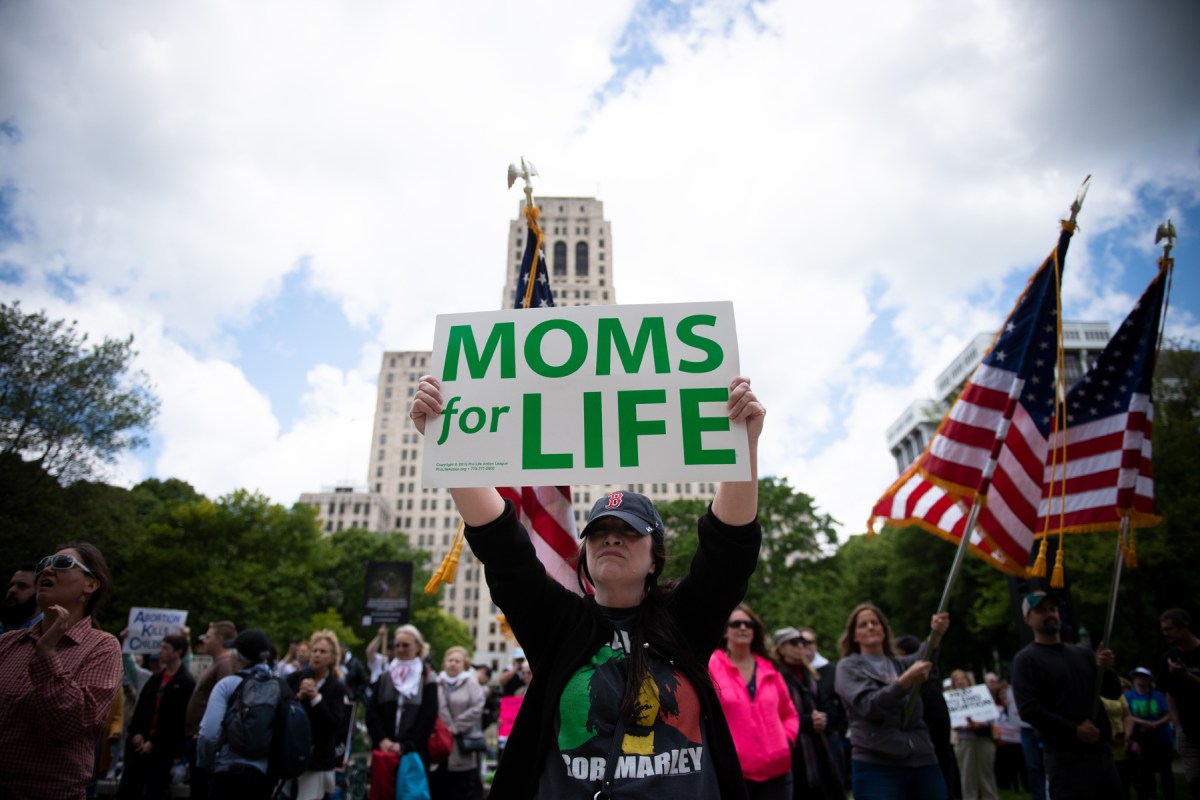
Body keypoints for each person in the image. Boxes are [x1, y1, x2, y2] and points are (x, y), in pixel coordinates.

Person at [408, 373, 766, 799]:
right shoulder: (557, 624)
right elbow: (504, 548)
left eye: (629, 532)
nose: (611, 538)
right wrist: (447, 441)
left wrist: (743, 445)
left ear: (655, 558)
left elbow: (728, 551)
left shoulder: (685, 621)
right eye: (598, 532)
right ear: (584, 554)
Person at [0, 543, 122, 800]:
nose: (48, 570)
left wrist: (46, 655)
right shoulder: (7, 643)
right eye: (44, 564)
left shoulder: (102, 647)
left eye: (63, 564)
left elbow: (75, 723)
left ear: (90, 585)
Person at [1010, 591, 1122, 800]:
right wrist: (1074, 730)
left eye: (1052, 609)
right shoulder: (1026, 660)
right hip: (1065, 758)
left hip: (1101, 753)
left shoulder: (1083, 653)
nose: (1049, 614)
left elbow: (1112, 693)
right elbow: (1029, 709)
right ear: (1027, 619)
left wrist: (1107, 670)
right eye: (1041, 611)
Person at [835, 603, 952, 800]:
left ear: (884, 629)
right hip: (877, 765)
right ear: (854, 636)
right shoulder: (847, 667)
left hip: (923, 759)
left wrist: (936, 634)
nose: (871, 627)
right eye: (863, 625)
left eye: (875, 622)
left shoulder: (899, 662)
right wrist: (905, 681)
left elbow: (925, 658)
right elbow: (869, 705)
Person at [710, 605, 798, 798]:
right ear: (725, 631)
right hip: (732, 775)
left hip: (778, 774)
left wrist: (785, 741)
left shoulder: (770, 669)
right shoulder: (711, 667)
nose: (743, 628)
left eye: (748, 624)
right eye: (736, 624)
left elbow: (790, 713)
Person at [197, 628, 287, 799]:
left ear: (237, 656)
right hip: (263, 777)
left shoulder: (228, 685)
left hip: (228, 772)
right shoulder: (279, 686)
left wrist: (205, 762)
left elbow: (208, 733)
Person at [119, 633, 197, 799]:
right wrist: (137, 732)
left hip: (163, 751)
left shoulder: (185, 683)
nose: (160, 651)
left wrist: (155, 743)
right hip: (140, 746)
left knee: (155, 789)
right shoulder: (155, 680)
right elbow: (141, 709)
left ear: (178, 652)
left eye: (165, 647)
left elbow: (176, 720)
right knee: (129, 788)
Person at [365, 623, 438, 797]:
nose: (400, 649)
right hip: (385, 753)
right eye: (397, 645)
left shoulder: (427, 677)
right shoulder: (385, 676)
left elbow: (428, 717)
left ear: (418, 647)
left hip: (413, 754)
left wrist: (406, 745)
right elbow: (372, 711)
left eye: (405, 645)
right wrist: (382, 739)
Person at [774, 625, 845, 799]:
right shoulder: (775, 675)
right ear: (781, 647)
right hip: (794, 750)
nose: (801, 647)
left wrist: (823, 717)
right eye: (794, 642)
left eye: (803, 643)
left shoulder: (811, 675)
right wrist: (807, 721)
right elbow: (775, 714)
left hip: (820, 745)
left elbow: (827, 703)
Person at [287, 629, 348, 800]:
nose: (317, 655)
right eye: (314, 651)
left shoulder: (336, 688)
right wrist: (298, 697)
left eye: (323, 652)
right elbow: (283, 711)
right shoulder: (294, 679)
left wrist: (316, 698)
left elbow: (333, 725)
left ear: (331, 657)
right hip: (291, 754)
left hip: (317, 760)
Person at [185, 620, 238, 799]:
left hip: (206, 741)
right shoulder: (218, 663)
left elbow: (227, 703)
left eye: (208, 637)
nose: (204, 640)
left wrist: (206, 733)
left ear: (220, 639)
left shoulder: (225, 665)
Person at [435, 645, 486, 800]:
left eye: (457, 661)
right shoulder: (437, 682)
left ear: (464, 664)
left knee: (459, 790)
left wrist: (454, 727)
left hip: (462, 744)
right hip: (438, 746)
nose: (453, 663)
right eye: (450, 660)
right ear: (444, 663)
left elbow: (477, 707)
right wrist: (443, 729)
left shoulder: (471, 683)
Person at [1159, 608, 1200, 797]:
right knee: (1194, 781)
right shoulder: (1170, 657)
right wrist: (1177, 724)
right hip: (1188, 731)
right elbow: (1169, 693)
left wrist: (1186, 676)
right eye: (1163, 630)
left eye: (1170, 629)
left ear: (1185, 626)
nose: (1166, 633)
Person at [1126, 666, 1177, 800]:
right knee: (1143, 772)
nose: (1140, 680)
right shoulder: (1129, 696)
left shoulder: (1158, 696)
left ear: (1149, 680)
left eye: (1143, 677)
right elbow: (1126, 715)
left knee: (1166, 772)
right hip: (1141, 742)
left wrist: (1155, 724)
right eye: (1137, 676)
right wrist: (1143, 722)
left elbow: (1169, 714)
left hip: (1161, 740)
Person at [947, 669, 999, 800]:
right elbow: (951, 721)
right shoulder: (950, 699)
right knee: (967, 776)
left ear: (968, 680)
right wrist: (964, 725)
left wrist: (979, 724)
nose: (960, 681)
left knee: (986, 775)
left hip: (983, 738)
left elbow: (990, 715)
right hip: (964, 741)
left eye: (962, 677)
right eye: (956, 679)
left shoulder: (980, 694)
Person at [1, 561, 42, 632]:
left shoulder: (46, 631)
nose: (12, 590)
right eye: (11, 585)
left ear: (40, 592)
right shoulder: (3, 628)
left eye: (22, 586)